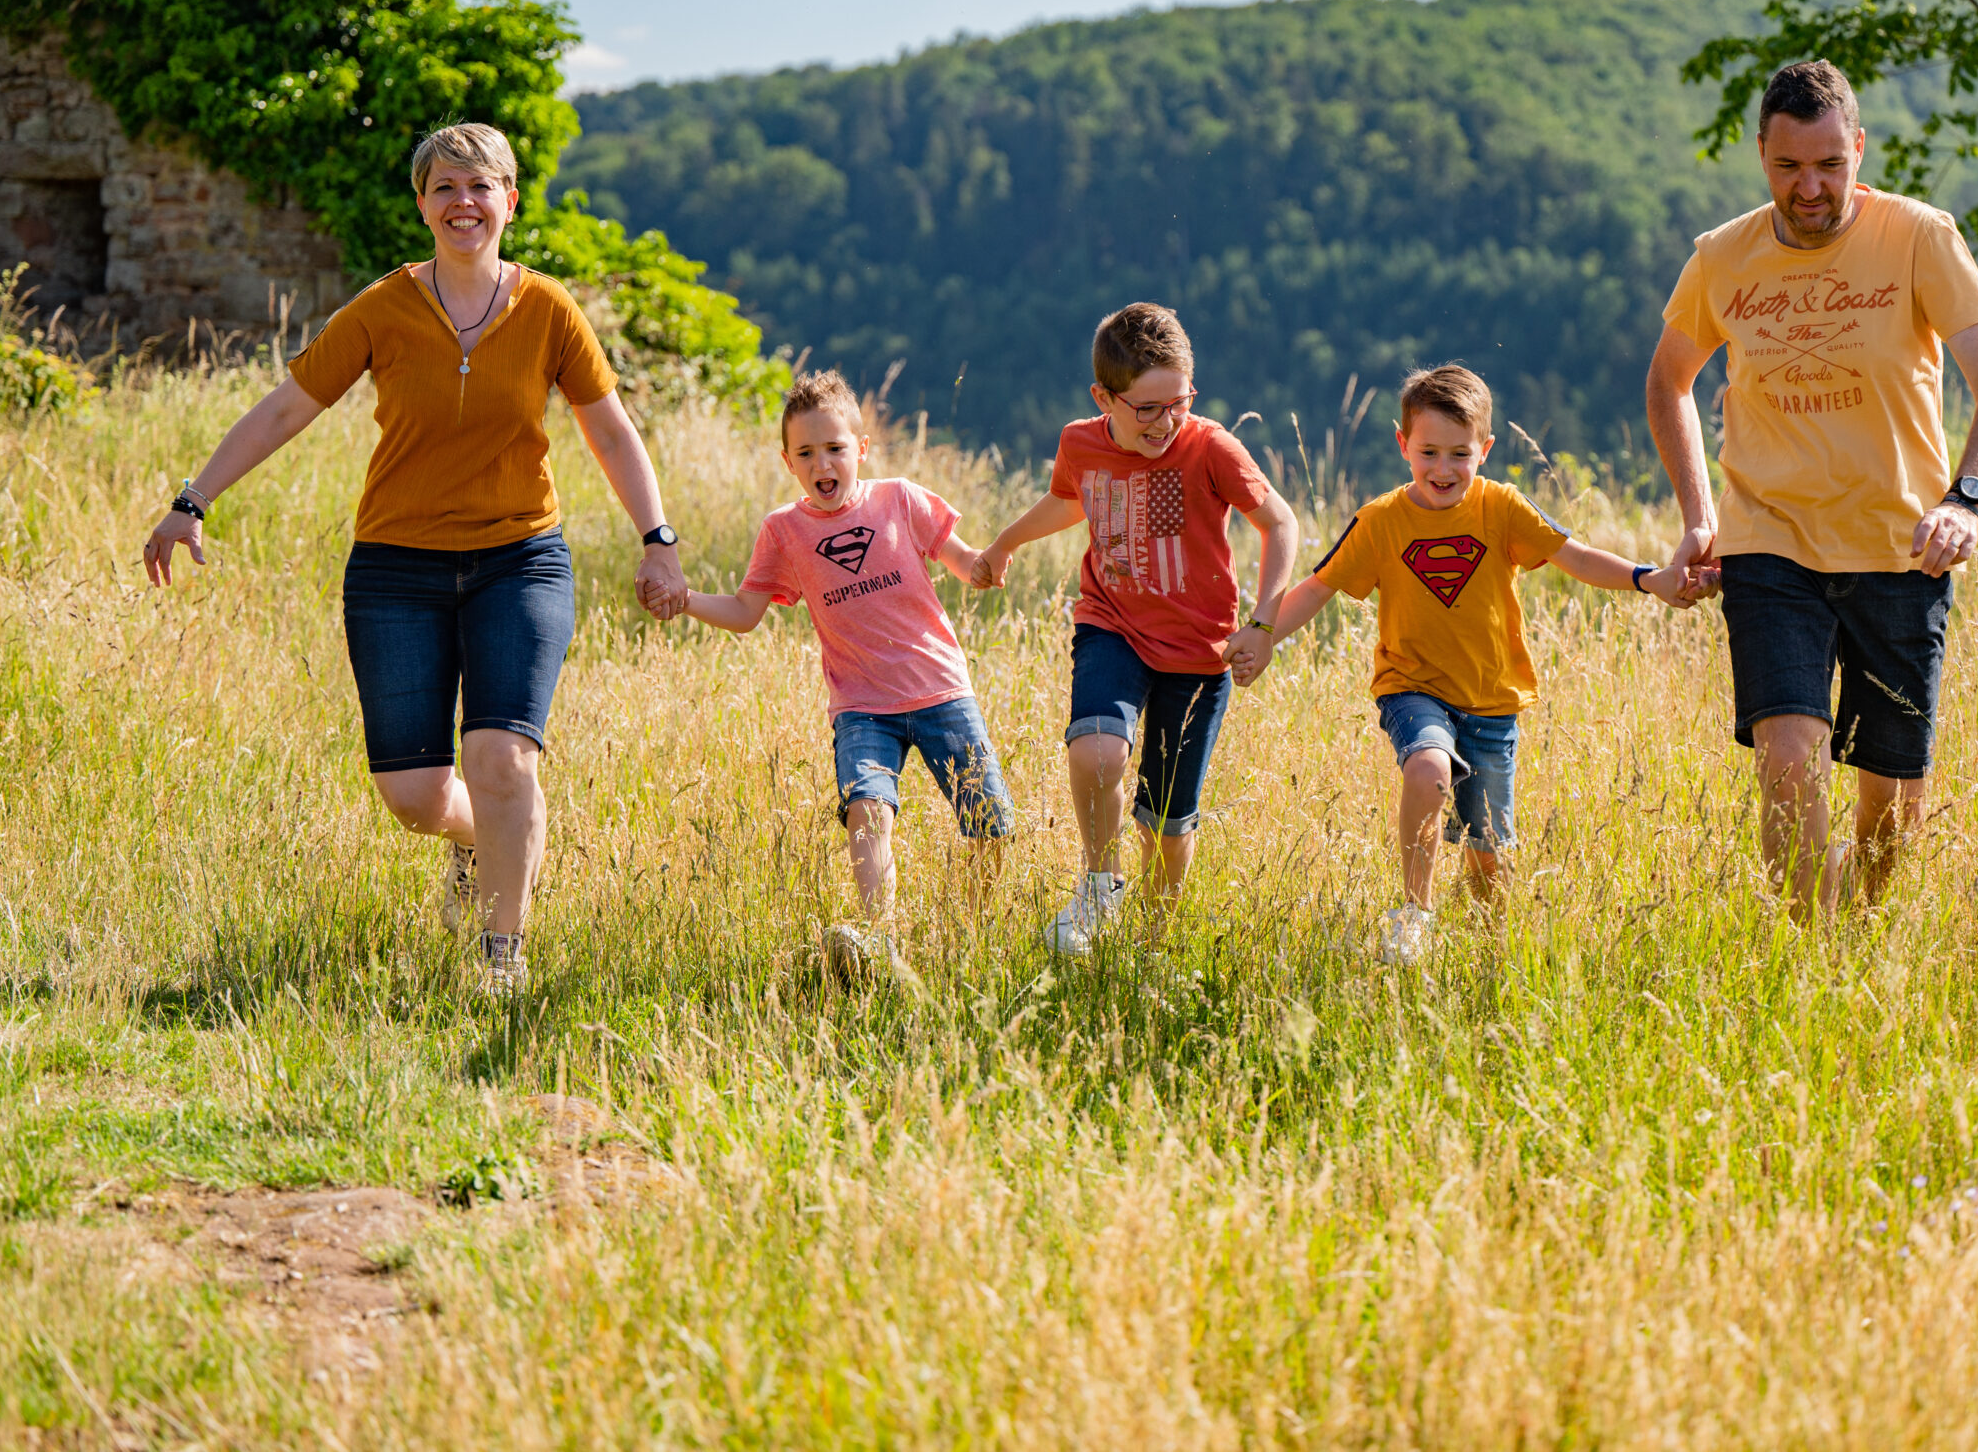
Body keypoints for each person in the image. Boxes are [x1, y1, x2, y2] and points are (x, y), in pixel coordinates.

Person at [142, 123, 688, 994]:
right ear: (423, 204)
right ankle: (480, 841)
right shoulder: (383, 308)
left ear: (510, 201)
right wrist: (191, 499)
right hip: (397, 570)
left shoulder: (548, 309)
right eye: (445, 188)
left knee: (504, 760)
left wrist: (657, 540)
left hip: (520, 559)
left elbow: (612, 431)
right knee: (416, 799)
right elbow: (287, 408)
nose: (463, 202)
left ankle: (501, 954)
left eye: (481, 187)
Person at [1644, 60, 1978, 921]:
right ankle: (1813, 952)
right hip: (1767, 543)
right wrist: (1701, 517)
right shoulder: (1722, 257)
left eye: (1828, 165)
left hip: (1901, 545)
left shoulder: (1920, 236)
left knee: (1891, 808)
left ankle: (1855, 925)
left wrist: (1963, 501)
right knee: (1787, 760)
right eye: (1788, 168)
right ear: (1761, 156)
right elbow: (1668, 380)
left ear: (1857, 148)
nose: (1809, 188)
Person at [1239, 364, 1712, 966]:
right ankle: (1414, 916)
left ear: (1485, 450)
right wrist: (1261, 635)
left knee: (1490, 855)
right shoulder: (1380, 522)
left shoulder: (1502, 508)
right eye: (1428, 451)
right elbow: (1317, 587)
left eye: (1459, 454)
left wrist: (1651, 580)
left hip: (1493, 702)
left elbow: (1577, 557)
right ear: (1402, 444)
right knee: (1429, 770)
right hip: (1412, 689)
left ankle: (1488, 961)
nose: (1442, 468)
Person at [648, 369, 1011, 984]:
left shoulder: (901, 499)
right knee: (868, 810)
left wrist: (987, 563)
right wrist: (685, 600)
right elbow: (744, 612)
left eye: (836, 448)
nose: (824, 463)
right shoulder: (784, 532)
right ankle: (880, 945)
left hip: (942, 690)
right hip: (860, 705)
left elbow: (964, 559)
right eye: (807, 452)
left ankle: (964, 939)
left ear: (860, 450)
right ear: (788, 462)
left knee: (992, 826)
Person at [970, 303, 1299, 957]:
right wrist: (1005, 542)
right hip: (1111, 623)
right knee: (1096, 753)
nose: (1163, 421)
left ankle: (1156, 938)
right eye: (1144, 408)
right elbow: (1071, 499)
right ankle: (1099, 883)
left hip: (1200, 652)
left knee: (1168, 821)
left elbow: (1280, 523)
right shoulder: (1081, 442)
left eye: (1176, 402)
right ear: (1104, 397)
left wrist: (1263, 624)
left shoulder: (1210, 447)